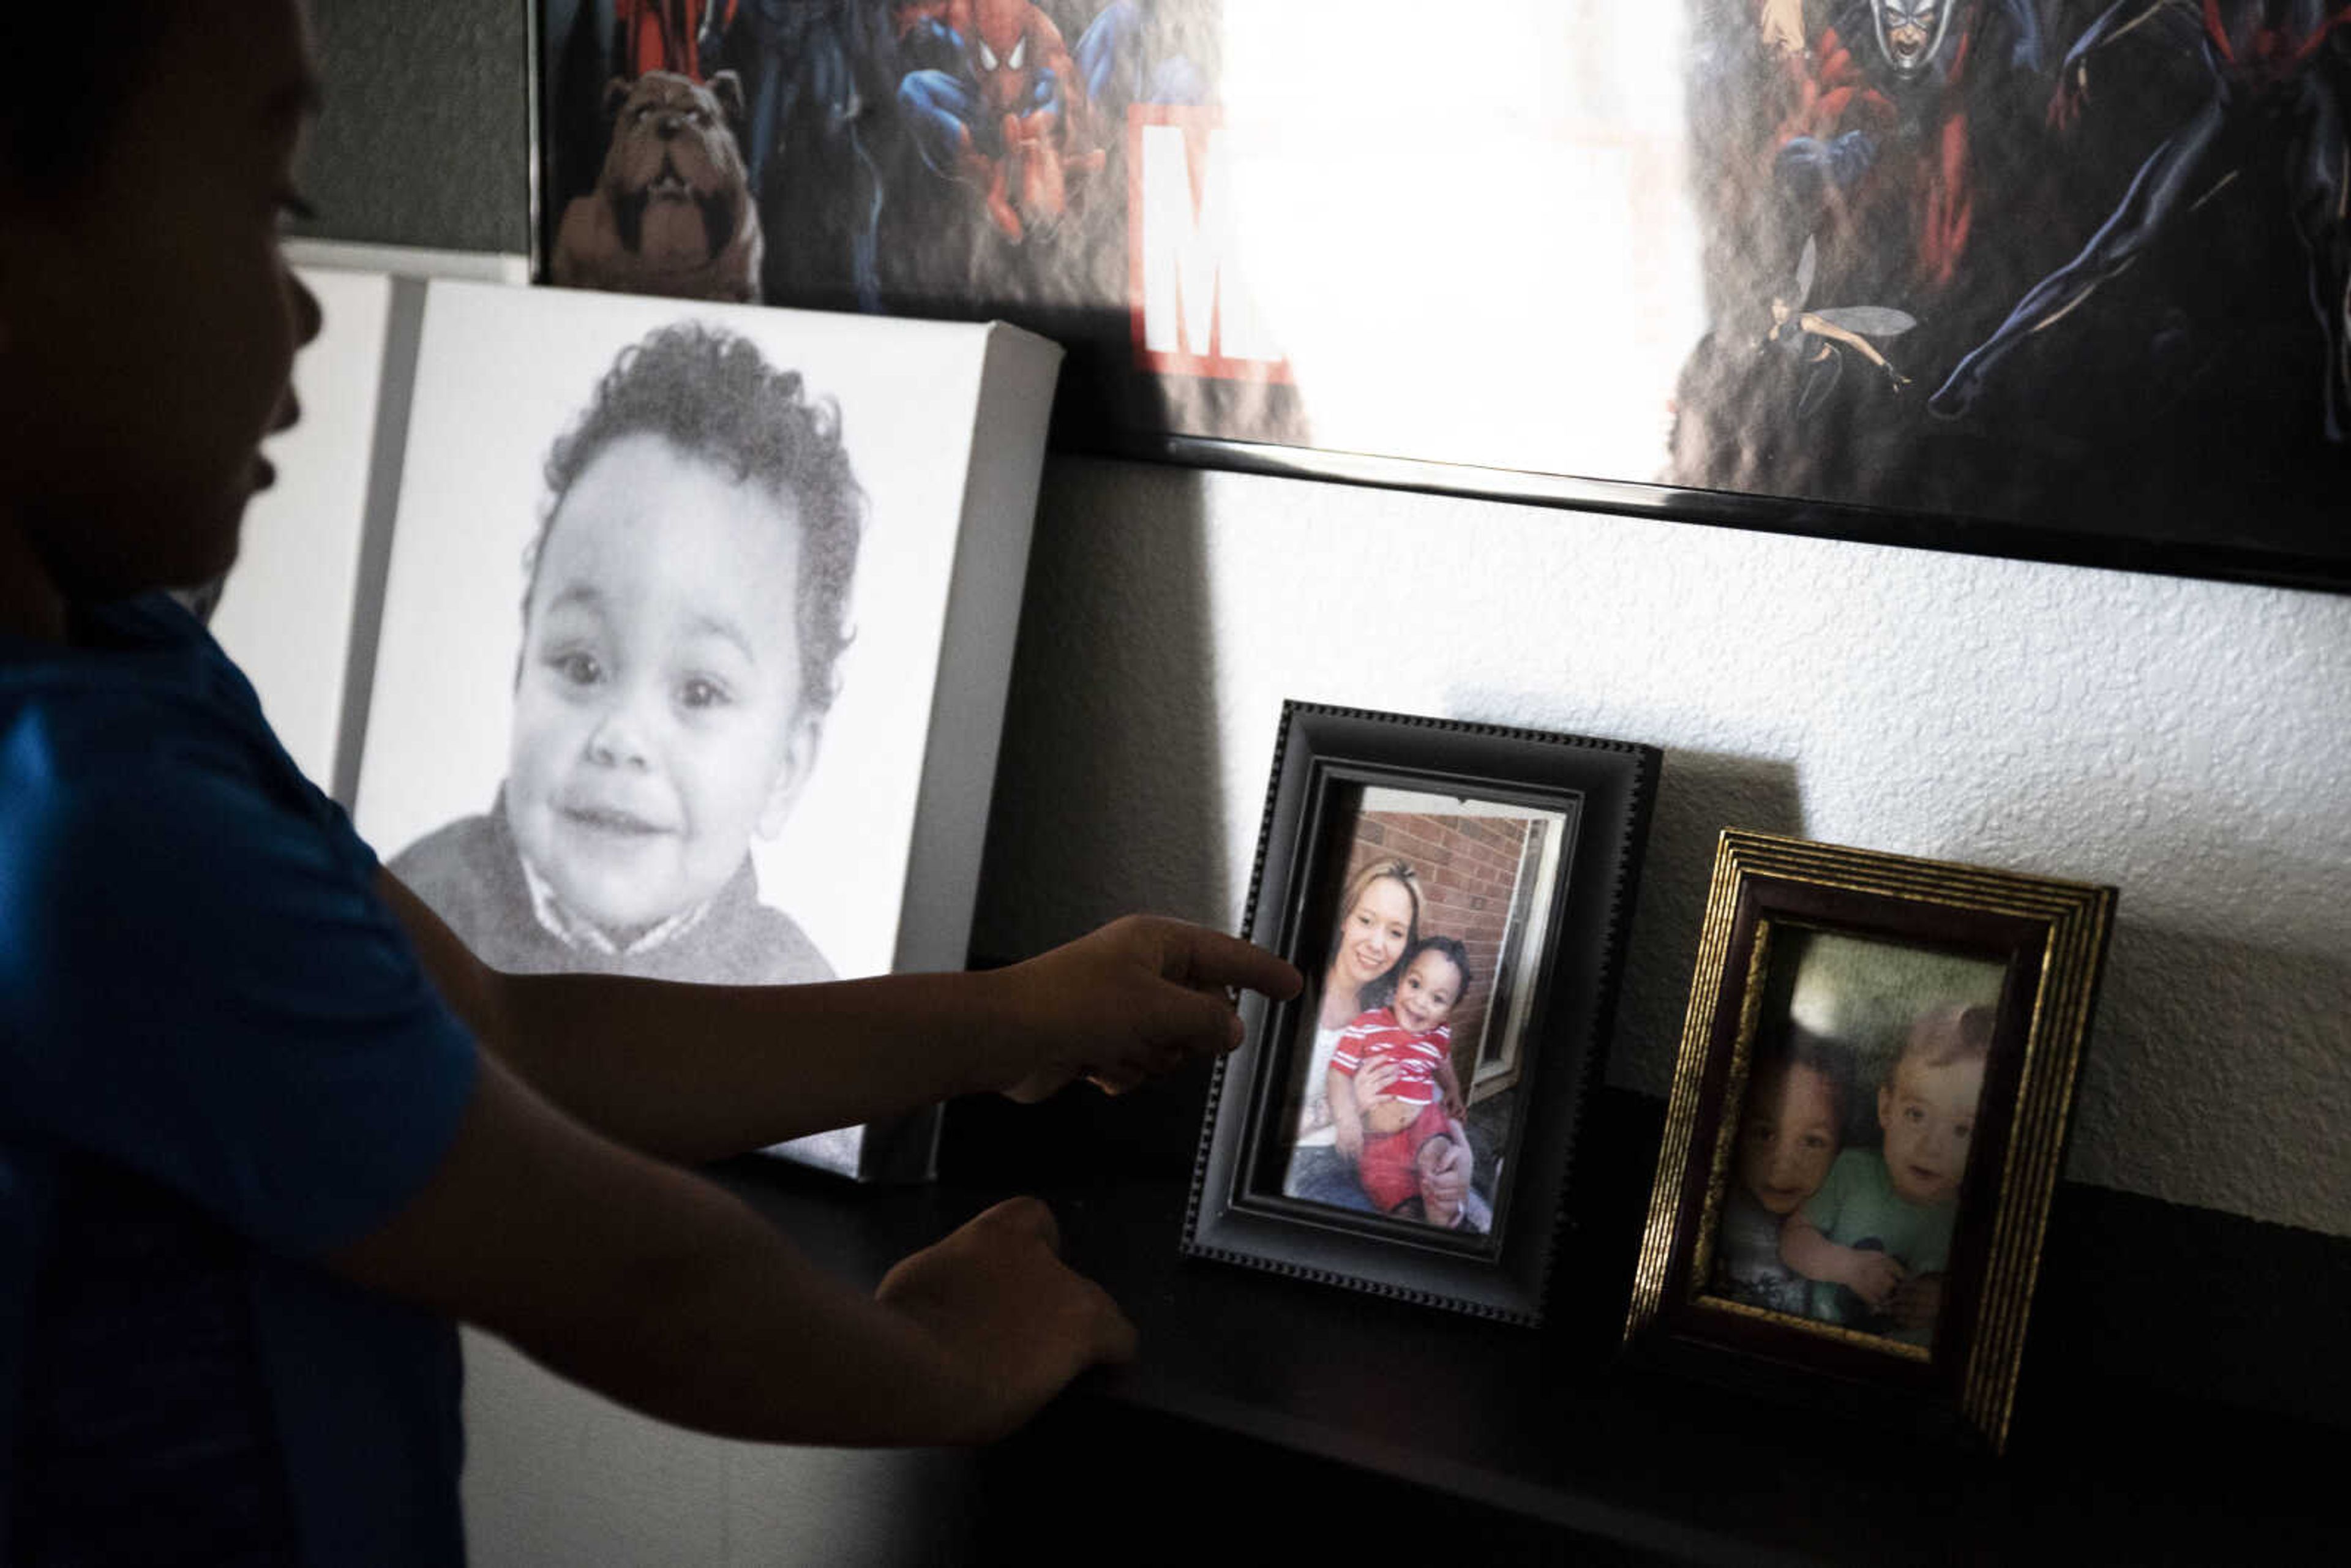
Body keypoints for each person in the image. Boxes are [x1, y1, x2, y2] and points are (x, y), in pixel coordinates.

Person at [0, 5, 1302, 1564]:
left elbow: (505, 1035)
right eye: (268, 209)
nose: (303, 320)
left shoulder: (130, 669)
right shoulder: (94, 830)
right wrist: (949, 1358)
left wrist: (1016, 1016)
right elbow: (626, 1278)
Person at [391, 321, 853, 988]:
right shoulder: (411, 913)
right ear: (519, 673)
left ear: (784, 767)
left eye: (700, 691)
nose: (621, 738)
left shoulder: (798, 1002)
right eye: (583, 667)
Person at [1779, 1002, 1992, 1343]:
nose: (1931, 1147)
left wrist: (1943, 1300)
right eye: (1916, 1115)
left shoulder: (1975, 1216)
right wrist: (1846, 1265)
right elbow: (1792, 1242)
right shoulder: (1852, 1170)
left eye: (1962, 1130)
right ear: (1885, 1109)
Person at [1326, 937, 1477, 1229]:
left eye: (1438, 999)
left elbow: (1443, 1063)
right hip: (1378, 1142)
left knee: (1437, 1162)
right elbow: (1338, 1073)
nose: (1420, 1002)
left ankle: (1442, 1210)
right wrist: (1347, 1121)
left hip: (1424, 1123)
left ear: (1449, 1011)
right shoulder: (1367, 1024)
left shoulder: (1438, 1035)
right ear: (1401, 978)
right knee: (1399, 1205)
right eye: (1415, 984)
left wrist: (1453, 1091)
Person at [1709, 1029, 1849, 1315]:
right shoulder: (1713, 1206)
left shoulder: (1848, 1217)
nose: (1783, 1164)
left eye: (1812, 1142)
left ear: (1840, 1149)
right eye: (1764, 1134)